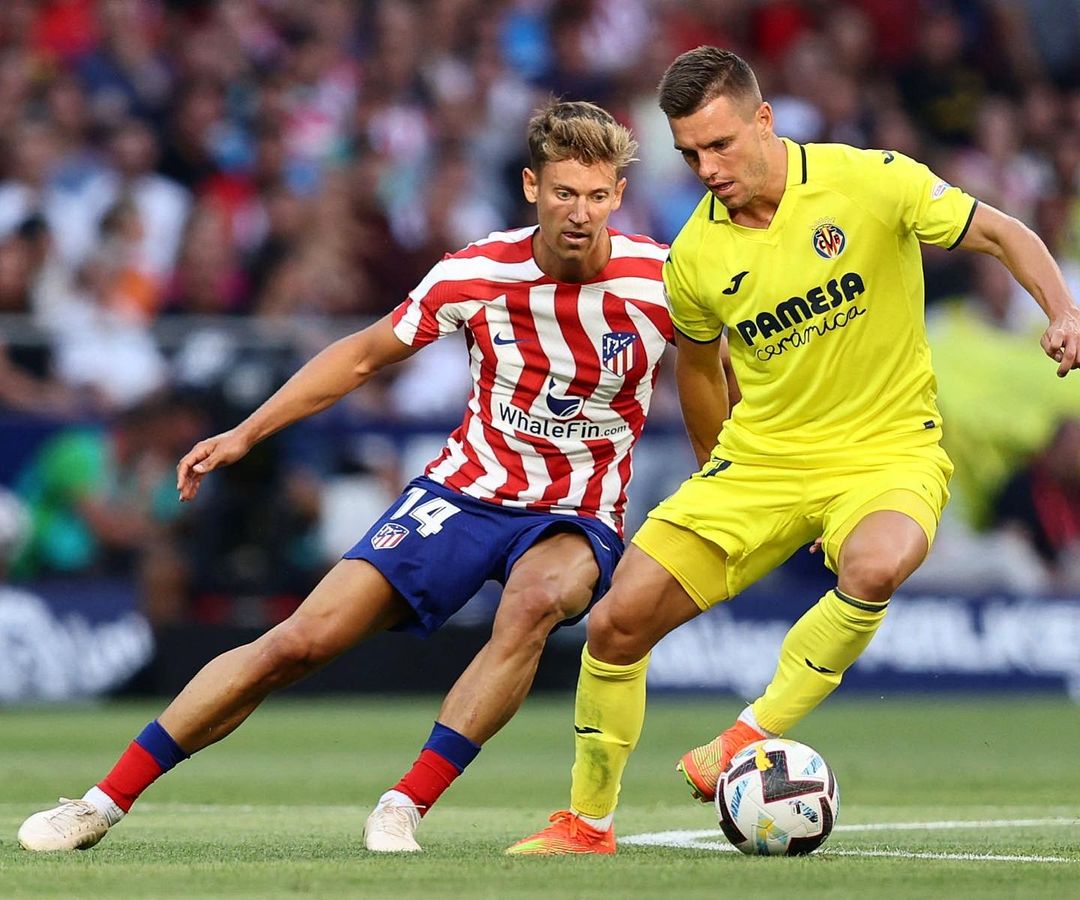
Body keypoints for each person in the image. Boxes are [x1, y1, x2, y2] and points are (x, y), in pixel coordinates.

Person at [17, 100, 674, 853]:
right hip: (464, 493)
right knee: (297, 642)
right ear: (532, 187)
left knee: (535, 603)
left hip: (575, 513)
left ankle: (403, 805)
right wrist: (245, 432)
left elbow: (715, 376)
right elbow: (361, 357)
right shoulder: (476, 272)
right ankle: (100, 803)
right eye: (564, 193)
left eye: (596, 195)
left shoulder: (661, 280)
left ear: (619, 195)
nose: (580, 213)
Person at [507, 46, 1080, 856]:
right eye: (691, 154)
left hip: (888, 451)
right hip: (762, 462)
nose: (709, 169)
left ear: (765, 120)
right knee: (615, 623)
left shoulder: (870, 179)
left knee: (876, 565)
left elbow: (1001, 231)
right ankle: (586, 823)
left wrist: (1062, 310)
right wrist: (714, 471)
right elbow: (699, 369)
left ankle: (748, 735)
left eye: (721, 145)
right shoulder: (696, 255)